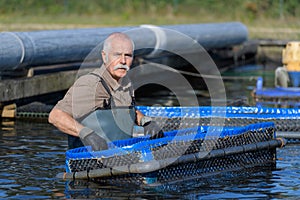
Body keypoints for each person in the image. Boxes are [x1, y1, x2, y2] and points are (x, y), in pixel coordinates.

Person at [48, 32, 164, 151]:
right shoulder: (91, 84)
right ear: (104, 56)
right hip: (90, 162)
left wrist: (146, 121)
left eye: (128, 55)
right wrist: (86, 134)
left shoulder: (126, 82)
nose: (123, 61)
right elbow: (55, 116)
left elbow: (129, 110)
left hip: (122, 158)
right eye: (117, 55)